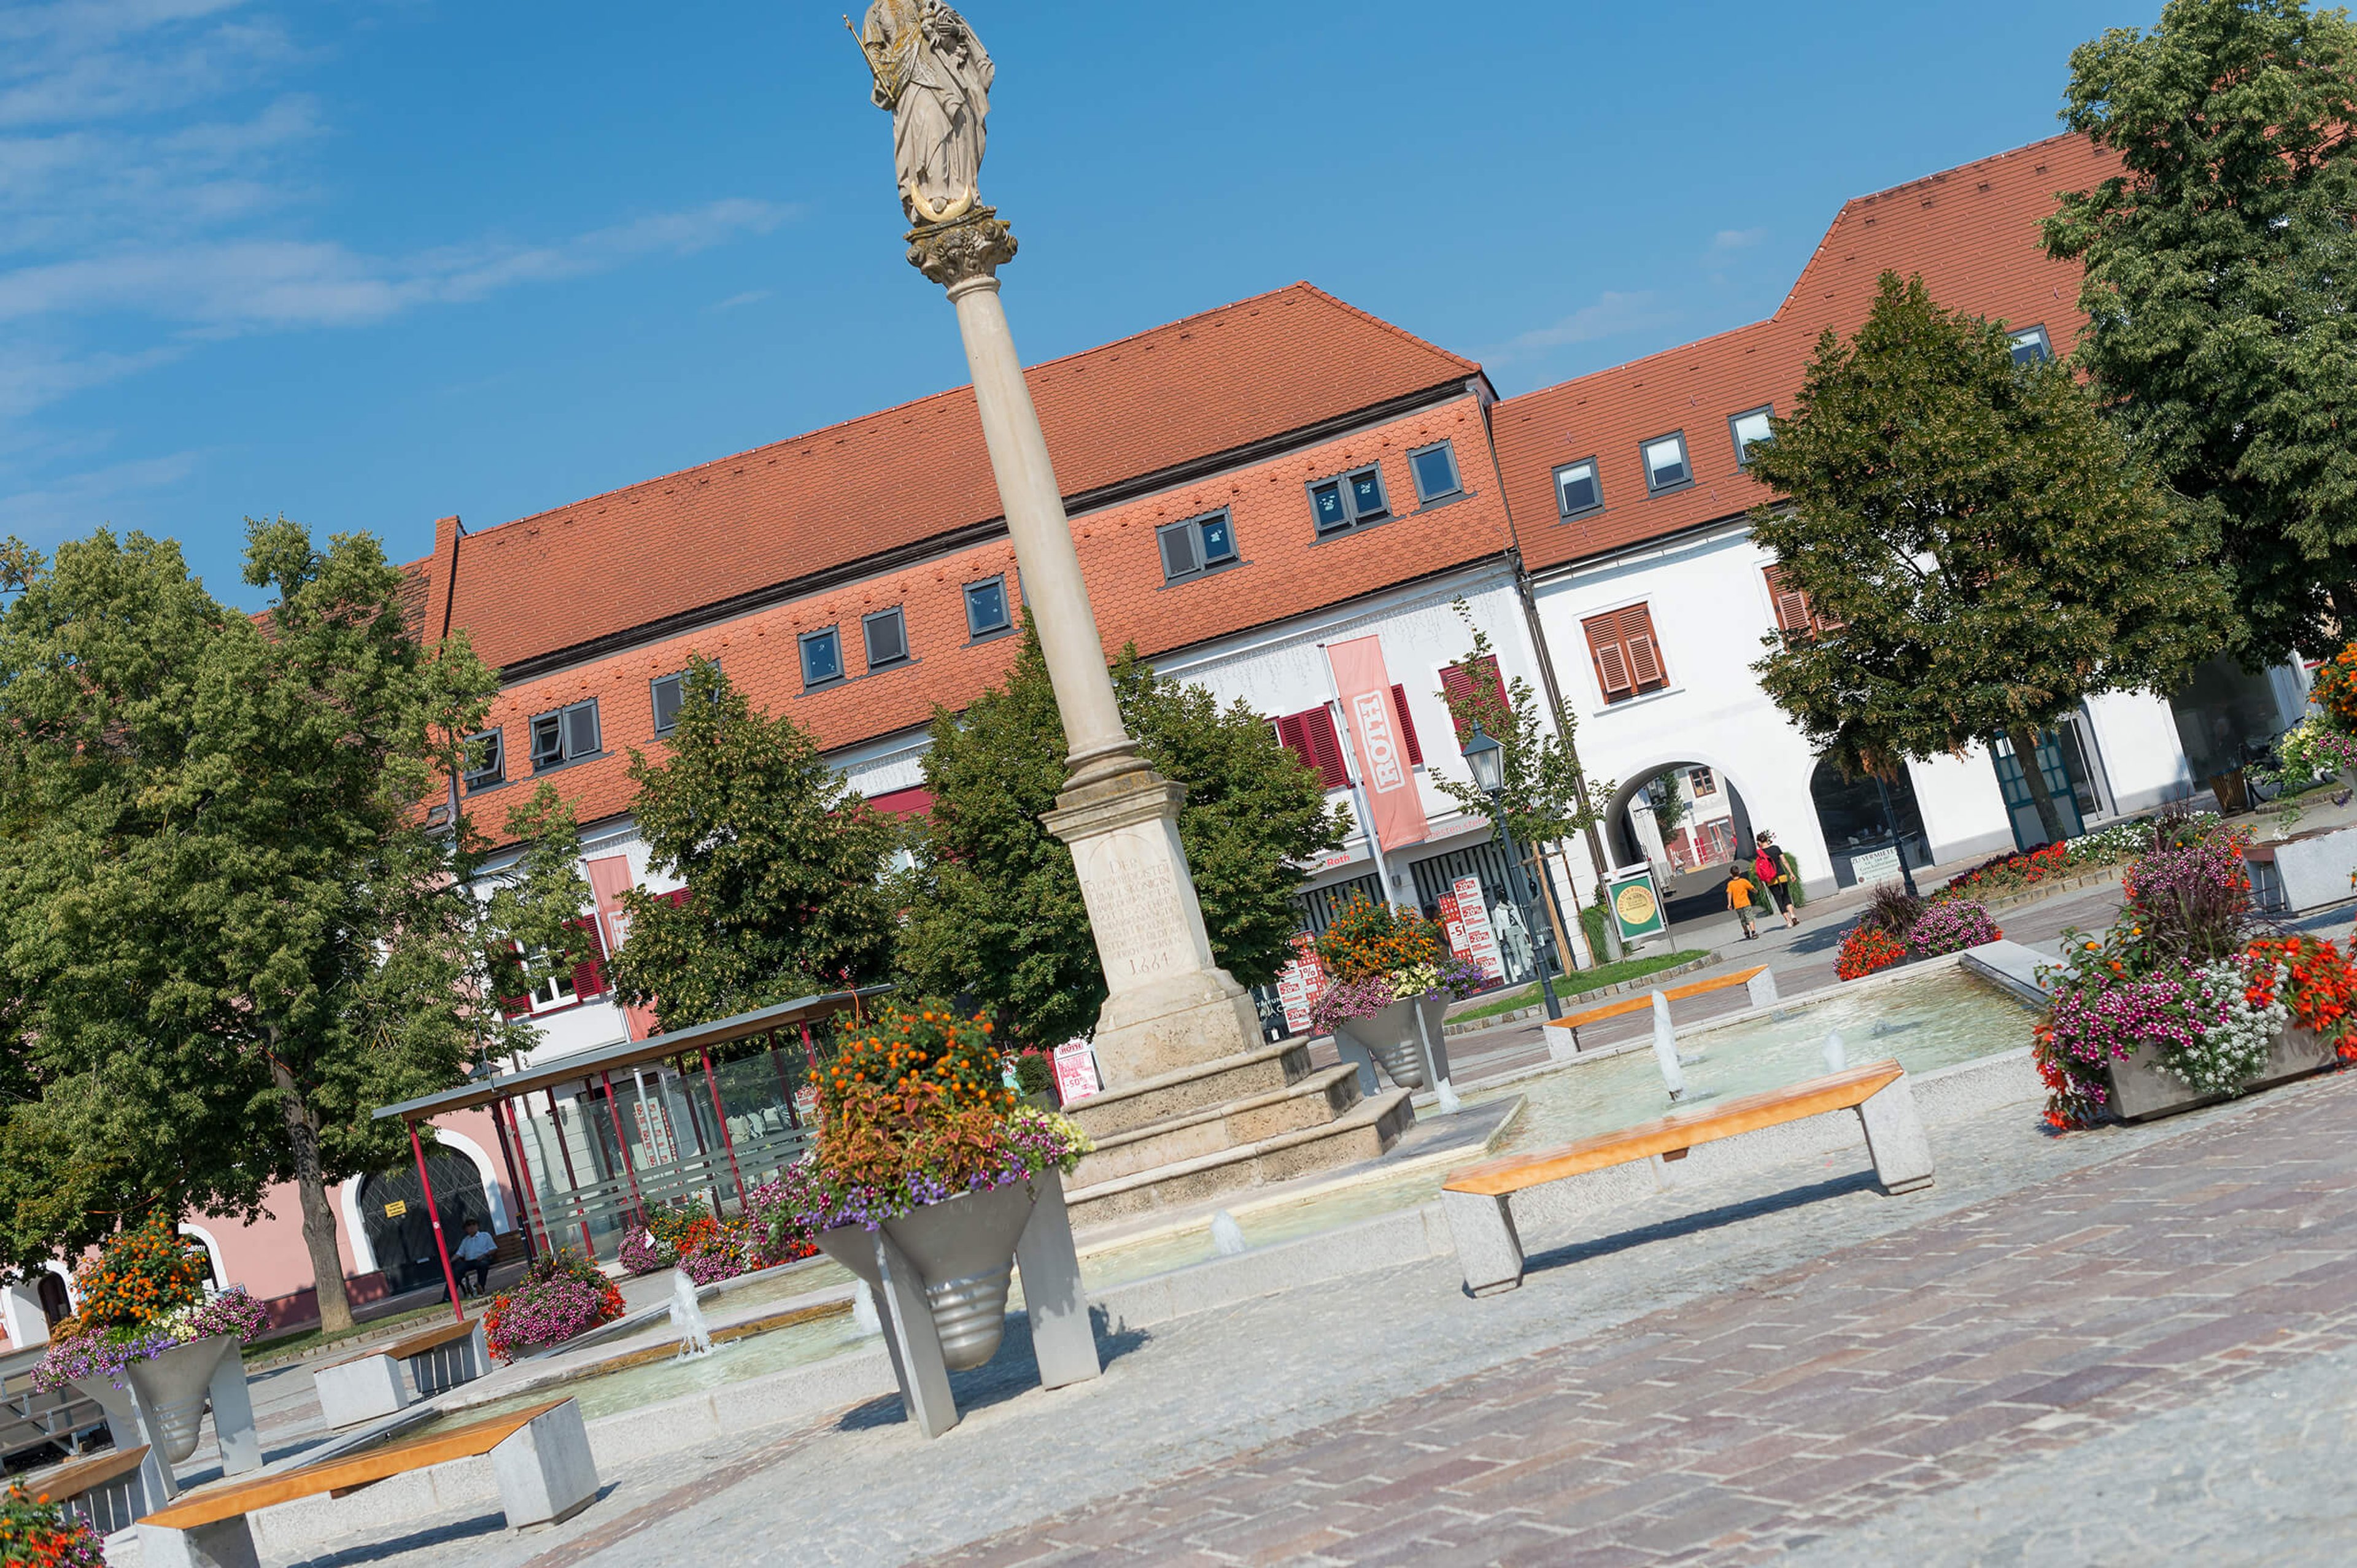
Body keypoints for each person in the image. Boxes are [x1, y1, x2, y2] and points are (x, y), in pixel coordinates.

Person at [1754, 832, 1800, 930]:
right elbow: (1784, 861)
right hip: (1782, 877)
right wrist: (1791, 873)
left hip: (1771, 880)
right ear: (1767, 839)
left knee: (1779, 900)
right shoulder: (1776, 848)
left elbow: (1759, 870)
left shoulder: (1760, 854)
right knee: (1786, 896)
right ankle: (1793, 916)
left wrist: (1761, 883)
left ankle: (1788, 922)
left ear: (1759, 842)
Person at [453, 1219, 497, 1297]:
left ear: (478, 1226)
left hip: (483, 1259)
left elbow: (493, 1249)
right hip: (470, 1262)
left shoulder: (485, 1236)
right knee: (457, 1270)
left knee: (483, 1265)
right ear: (466, 1229)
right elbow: (459, 1254)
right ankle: (448, 1296)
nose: (472, 1227)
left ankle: (480, 1288)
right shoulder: (466, 1240)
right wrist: (448, 1262)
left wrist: (484, 1255)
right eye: (469, 1225)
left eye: (474, 1224)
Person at [1726, 865, 1759, 940]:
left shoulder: (1730, 884)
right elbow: (1752, 888)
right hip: (1746, 903)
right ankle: (1753, 932)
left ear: (1731, 875)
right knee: (1750, 917)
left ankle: (1747, 933)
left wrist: (1729, 904)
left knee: (1743, 920)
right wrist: (1756, 891)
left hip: (1738, 905)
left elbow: (1729, 893)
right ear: (1740, 872)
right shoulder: (1744, 881)